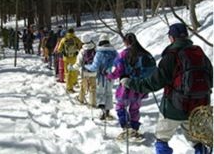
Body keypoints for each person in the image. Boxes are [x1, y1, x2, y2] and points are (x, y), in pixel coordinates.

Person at [120, 23, 213, 154]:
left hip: (173, 108)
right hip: (199, 108)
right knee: (197, 140)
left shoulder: (171, 55)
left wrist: (130, 83)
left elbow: (154, 83)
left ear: (172, 38)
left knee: (162, 138)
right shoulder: (199, 53)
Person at [106, 33, 156, 140]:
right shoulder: (144, 53)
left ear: (126, 42)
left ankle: (126, 127)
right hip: (140, 87)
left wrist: (109, 76)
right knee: (135, 108)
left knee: (120, 106)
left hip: (127, 85)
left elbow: (118, 71)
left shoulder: (124, 54)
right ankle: (134, 128)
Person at [85, 34, 118, 120]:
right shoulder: (114, 52)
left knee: (100, 94)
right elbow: (118, 63)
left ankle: (102, 113)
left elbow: (94, 67)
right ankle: (107, 112)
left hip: (101, 78)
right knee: (109, 93)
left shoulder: (99, 53)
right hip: (110, 76)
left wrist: (87, 67)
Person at [68, 33, 97, 107]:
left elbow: (78, 64)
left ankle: (81, 99)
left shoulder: (82, 51)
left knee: (83, 86)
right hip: (94, 71)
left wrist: (72, 67)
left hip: (85, 72)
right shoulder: (95, 49)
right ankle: (92, 103)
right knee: (93, 88)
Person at [57, 28, 82, 93]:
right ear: (73, 32)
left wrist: (63, 52)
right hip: (74, 58)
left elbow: (59, 49)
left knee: (67, 73)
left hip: (66, 58)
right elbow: (80, 47)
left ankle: (69, 87)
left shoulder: (64, 39)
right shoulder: (76, 39)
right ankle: (74, 82)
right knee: (74, 71)